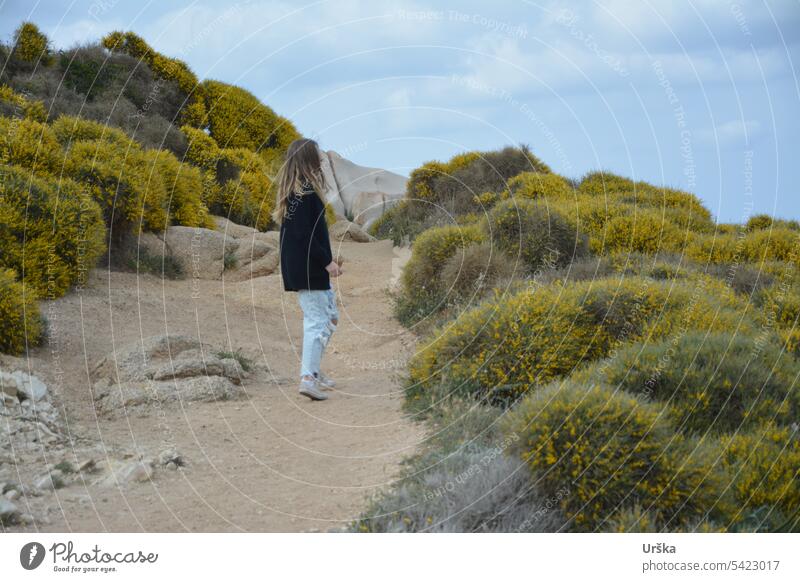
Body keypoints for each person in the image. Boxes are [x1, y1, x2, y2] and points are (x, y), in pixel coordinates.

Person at [274, 138, 342, 401]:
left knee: (331, 317)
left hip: (301, 267)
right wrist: (327, 262)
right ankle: (308, 378)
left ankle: (312, 370)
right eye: (318, 156)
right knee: (317, 322)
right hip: (309, 268)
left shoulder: (296, 193)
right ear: (309, 161)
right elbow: (306, 235)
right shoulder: (304, 194)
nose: (321, 160)